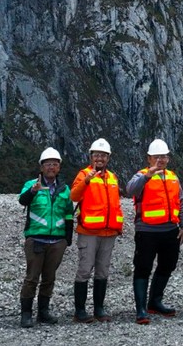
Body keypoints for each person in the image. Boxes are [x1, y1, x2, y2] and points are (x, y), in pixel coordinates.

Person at [127, 139, 183, 324]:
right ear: (149, 158)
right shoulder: (141, 175)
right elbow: (130, 190)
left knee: (167, 265)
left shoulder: (173, 177)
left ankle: (155, 301)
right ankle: (141, 309)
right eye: (157, 157)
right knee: (143, 267)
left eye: (164, 156)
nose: (160, 160)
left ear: (168, 158)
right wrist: (147, 176)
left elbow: (182, 202)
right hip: (147, 231)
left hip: (170, 230)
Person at [17, 147, 74, 328]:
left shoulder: (64, 189)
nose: (51, 167)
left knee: (49, 278)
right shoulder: (31, 184)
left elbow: (68, 213)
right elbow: (22, 201)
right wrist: (33, 191)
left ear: (59, 167)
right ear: (41, 167)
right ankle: (26, 314)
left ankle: (43, 312)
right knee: (32, 277)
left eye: (54, 164)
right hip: (35, 238)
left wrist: (67, 239)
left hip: (57, 241)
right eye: (48, 164)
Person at [69, 138, 124, 323]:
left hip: (108, 233)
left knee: (102, 272)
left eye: (103, 155)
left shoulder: (113, 177)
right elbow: (74, 196)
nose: (99, 158)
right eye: (96, 155)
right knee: (84, 270)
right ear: (91, 156)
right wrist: (86, 181)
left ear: (108, 158)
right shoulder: (83, 174)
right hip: (89, 232)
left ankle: (99, 309)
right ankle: (80, 311)